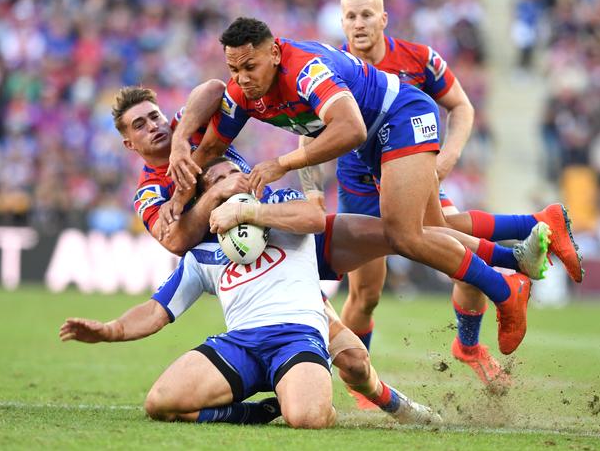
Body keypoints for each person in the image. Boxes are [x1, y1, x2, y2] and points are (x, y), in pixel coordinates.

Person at [166, 17, 583, 358]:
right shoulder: (244, 89)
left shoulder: (306, 70)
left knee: (404, 234)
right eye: (234, 69)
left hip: (401, 115)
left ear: (273, 53)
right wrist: (180, 192)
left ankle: (504, 288)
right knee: (430, 229)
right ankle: (517, 258)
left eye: (250, 67)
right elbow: (214, 144)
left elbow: (350, 127)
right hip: (373, 144)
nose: (243, 78)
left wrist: (282, 163)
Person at [111, 86, 448, 424]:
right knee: (353, 360)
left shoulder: (191, 126)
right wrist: (216, 197)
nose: (154, 126)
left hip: (286, 226)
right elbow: (175, 241)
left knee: (397, 237)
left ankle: (487, 256)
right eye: (139, 125)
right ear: (129, 143)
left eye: (154, 116)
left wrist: (183, 137)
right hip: (248, 254)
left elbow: (215, 88)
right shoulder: (152, 190)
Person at [60, 158, 461, 427]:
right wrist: (110, 330)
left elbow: (314, 217)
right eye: (215, 181)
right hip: (239, 344)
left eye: (234, 173)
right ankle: (255, 412)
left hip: (297, 333)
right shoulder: (202, 253)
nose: (227, 182)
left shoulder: (282, 206)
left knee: (313, 414)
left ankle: (396, 405)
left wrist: (249, 211)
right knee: (160, 403)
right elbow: (156, 310)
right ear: (205, 197)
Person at [297, 0, 495, 401]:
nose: (358, 23)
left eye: (366, 14)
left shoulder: (420, 59)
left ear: (383, 18)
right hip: (360, 190)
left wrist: (445, 159)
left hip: (413, 180)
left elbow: (461, 105)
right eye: (350, 16)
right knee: (366, 294)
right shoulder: (327, 67)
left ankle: (470, 343)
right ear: (341, 22)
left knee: (466, 260)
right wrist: (313, 192)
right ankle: (360, 381)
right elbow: (308, 137)